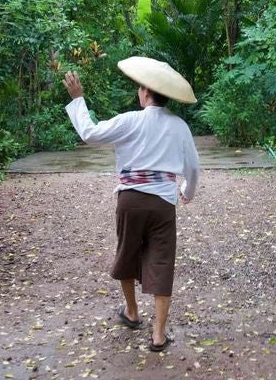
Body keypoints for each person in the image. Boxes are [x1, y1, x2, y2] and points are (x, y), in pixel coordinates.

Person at [62, 56, 200, 353]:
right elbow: (193, 168)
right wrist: (187, 190)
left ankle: (133, 312)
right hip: (163, 203)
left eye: (140, 88)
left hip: (130, 200)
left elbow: (90, 134)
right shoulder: (180, 127)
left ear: (146, 92)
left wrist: (78, 99)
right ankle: (159, 335)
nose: (139, 92)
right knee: (162, 263)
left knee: (127, 254)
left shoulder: (128, 121)